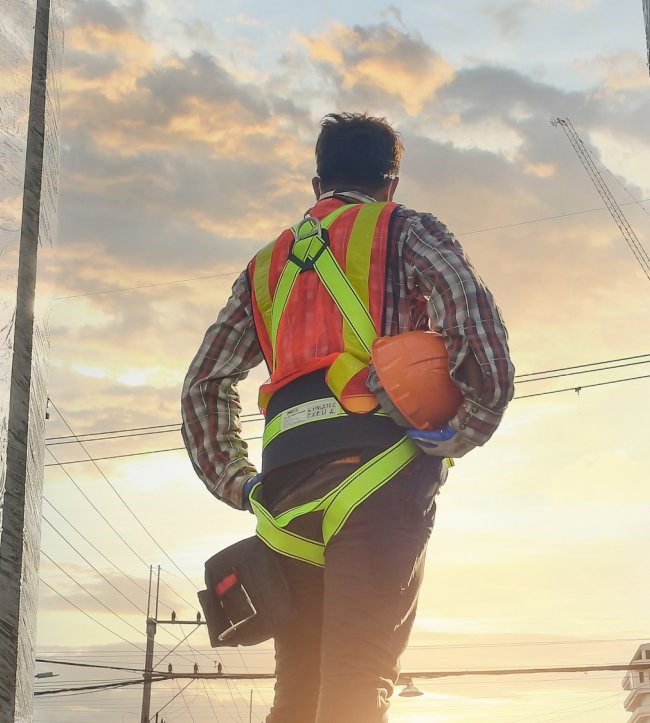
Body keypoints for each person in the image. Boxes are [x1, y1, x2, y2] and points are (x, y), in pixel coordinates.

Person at [181, 112, 515, 723]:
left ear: (317, 184)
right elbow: (472, 317)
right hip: (378, 478)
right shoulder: (404, 230)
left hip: (283, 500)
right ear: (391, 183)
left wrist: (238, 481)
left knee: (297, 692)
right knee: (358, 680)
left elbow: (205, 382)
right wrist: (465, 428)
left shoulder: (265, 267)